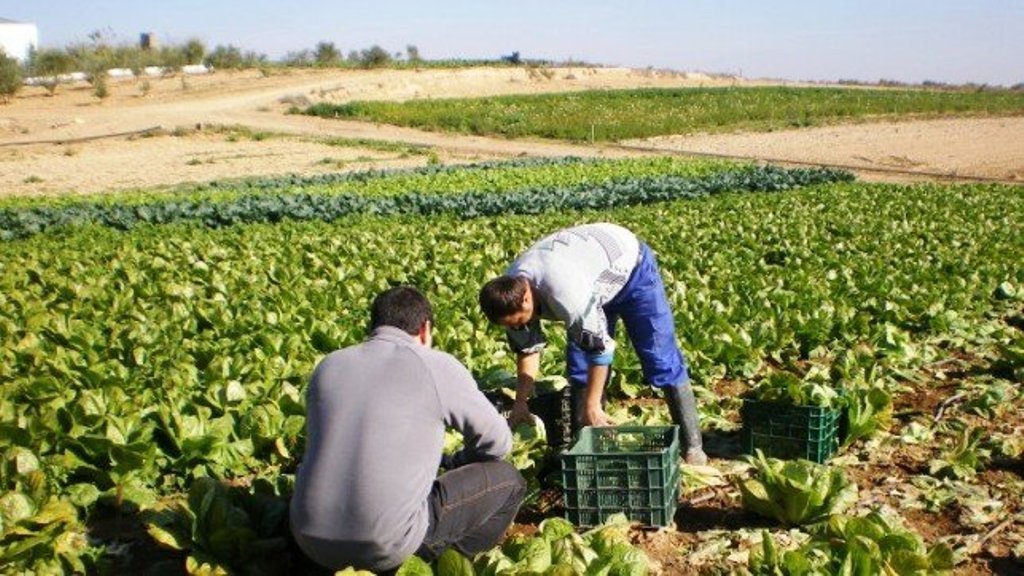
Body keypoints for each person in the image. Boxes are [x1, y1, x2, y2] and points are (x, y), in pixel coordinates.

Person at [290, 286, 526, 573]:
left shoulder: (329, 365)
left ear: (373, 326)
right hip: (385, 546)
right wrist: (458, 462)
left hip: (309, 541)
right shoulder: (434, 364)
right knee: (509, 481)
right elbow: (498, 442)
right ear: (425, 330)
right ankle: (436, 564)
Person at [478, 222, 708, 465]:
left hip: (631, 269)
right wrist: (520, 403)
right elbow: (527, 350)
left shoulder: (566, 295)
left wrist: (593, 404)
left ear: (527, 298)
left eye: (519, 322)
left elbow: (600, 351)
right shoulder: (508, 293)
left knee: (659, 357)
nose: (517, 327)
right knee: (579, 368)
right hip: (590, 275)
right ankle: (585, 444)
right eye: (511, 326)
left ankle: (692, 445)